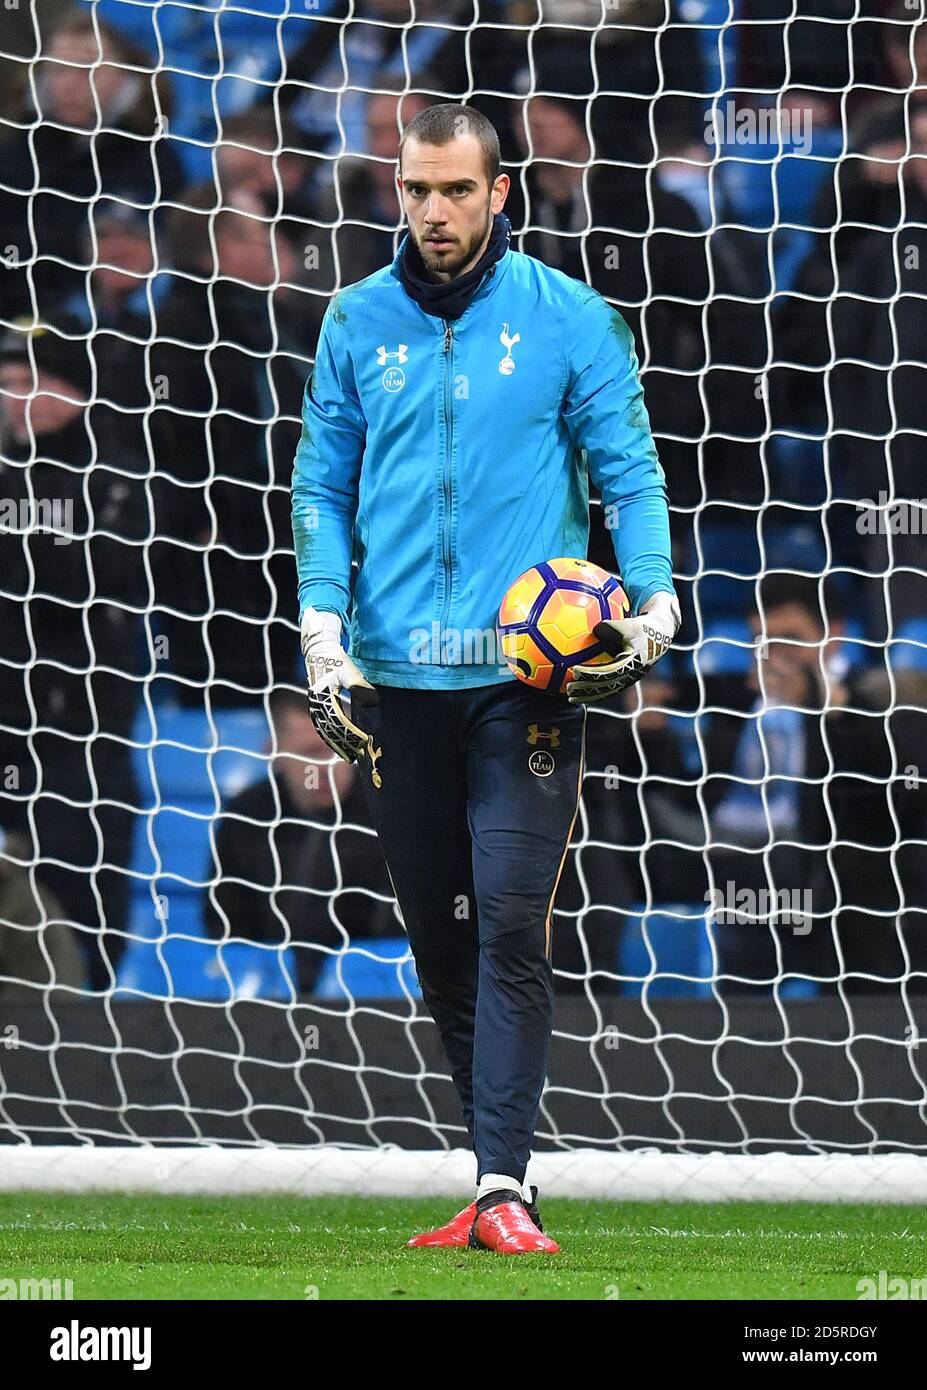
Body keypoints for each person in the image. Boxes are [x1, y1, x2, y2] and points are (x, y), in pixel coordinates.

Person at [291, 104, 680, 1253]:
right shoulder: (355, 320)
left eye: (456, 191)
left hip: (528, 681)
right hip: (396, 680)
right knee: (442, 937)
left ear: (500, 192)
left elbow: (633, 472)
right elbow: (320, 483)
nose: (434, 212)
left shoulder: (569, 319)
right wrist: (322, 625)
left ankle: (506, 1182)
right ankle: (491, 1177)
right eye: (416, 190)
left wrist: (654, 603)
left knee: (511, 919)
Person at [0, 318, 150, 988]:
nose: (11, 399)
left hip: (80, 737)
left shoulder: (112, 471)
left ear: (73, 391)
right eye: (2, 384)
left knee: (76, 901)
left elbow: (91, 579)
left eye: (26, 383)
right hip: (10, 727)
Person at [204, 689, 396, 991]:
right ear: (273, 752)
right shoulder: (246, 815)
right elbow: (224, 922)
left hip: (368, 989)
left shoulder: (387, 813)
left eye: (339, 748)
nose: (325, 767)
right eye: (310, 752)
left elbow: (402, 928)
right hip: (268, 994)